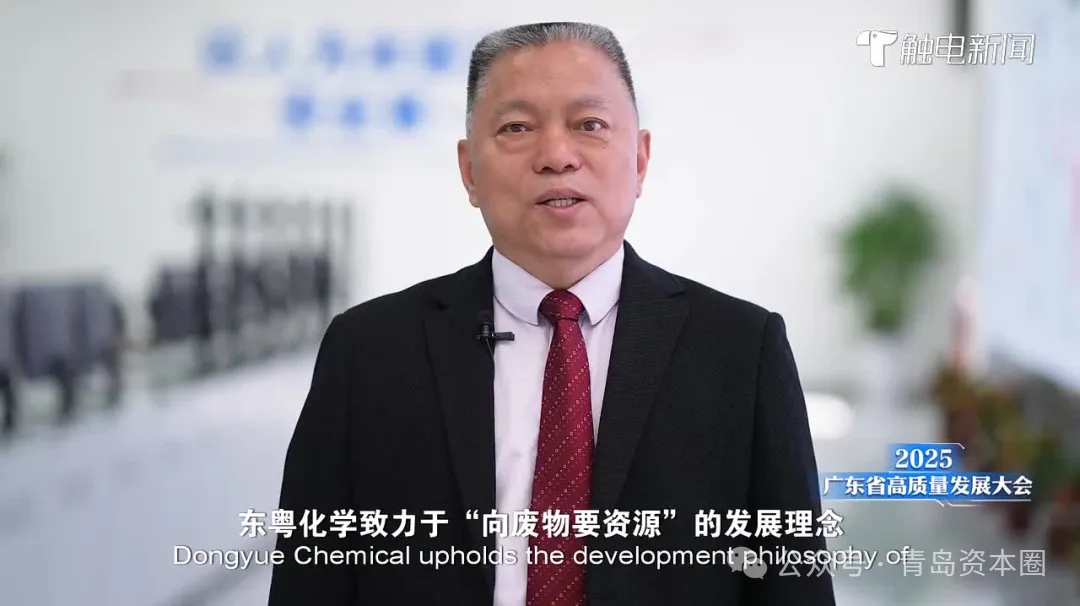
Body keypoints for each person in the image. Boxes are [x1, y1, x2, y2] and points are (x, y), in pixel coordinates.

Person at [268, 21, 835, 606]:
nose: (557, 156)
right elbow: (309, 581)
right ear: (469, 170)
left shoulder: (740, 349)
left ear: (640, 159)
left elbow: (793, 585)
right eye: (517, 128)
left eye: (589, 124)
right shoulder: (369, 351)